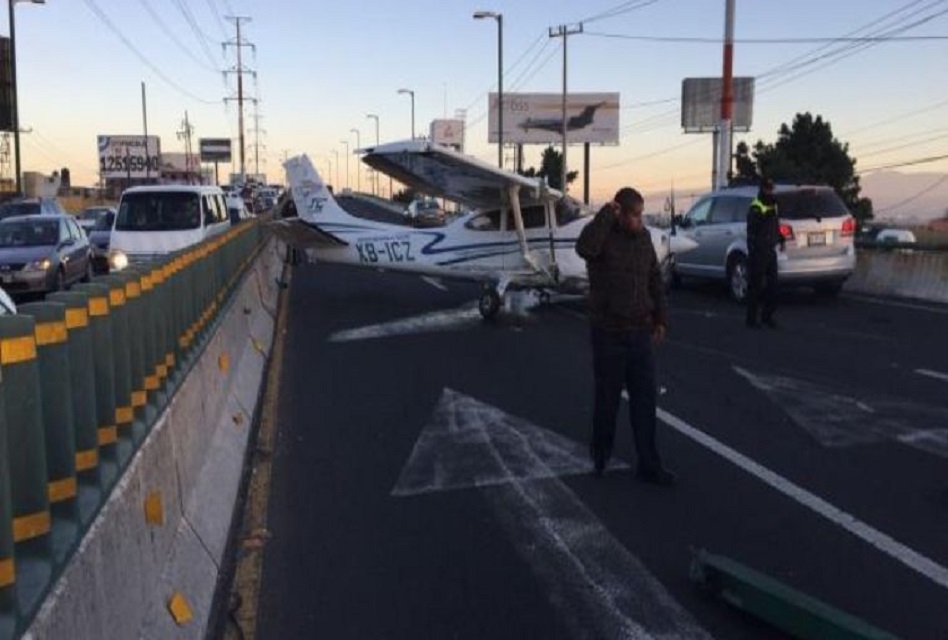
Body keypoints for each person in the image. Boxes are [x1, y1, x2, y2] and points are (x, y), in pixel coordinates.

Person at [576, 187, 675, 486]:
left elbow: (654, 279)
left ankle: (649, 464)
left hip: (639, 332)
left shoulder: (643, 239)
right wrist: (606, 214)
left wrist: (660, 317)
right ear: (620, 212)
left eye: (641, 214)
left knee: (645, 400)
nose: (639, 220)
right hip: (608, 333)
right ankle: (601, 455)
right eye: (633, 214)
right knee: (607, 400)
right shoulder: (602, 235)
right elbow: (585, 249)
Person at [745, 178, 784, 328]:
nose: (770, 191)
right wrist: (753, 250)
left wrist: (780, 238)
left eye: (771, 188)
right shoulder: (756, 206)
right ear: (762, 189)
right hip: (759, 251)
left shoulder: (774, 204)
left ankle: (767, 317)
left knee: (773, 286)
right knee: (755, 287)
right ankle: (751, 320)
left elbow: (775, 224)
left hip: (770, 250)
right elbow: (752, 231)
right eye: (768, 189)